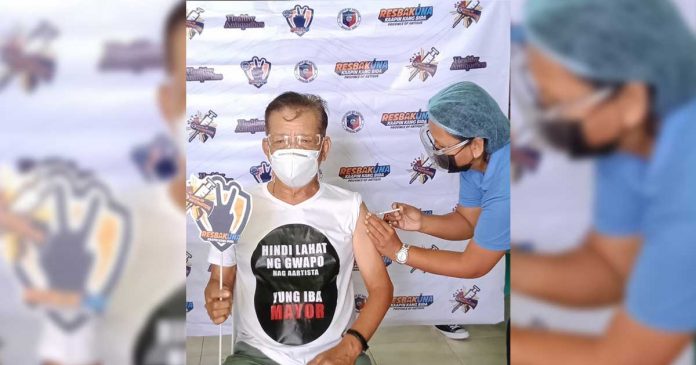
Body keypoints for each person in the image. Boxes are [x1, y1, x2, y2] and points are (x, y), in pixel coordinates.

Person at [511, 0, 696, 364]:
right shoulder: (630, 140)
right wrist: (500, 265)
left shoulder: (687, 187)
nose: (544, 115)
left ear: (631, 100)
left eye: (557, 101)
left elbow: (626, 359)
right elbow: (611, 269)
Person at [203, 92, 393, 365]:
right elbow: (219, 282)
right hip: (258, 355)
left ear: (324, 148)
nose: (292, 150)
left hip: (335, 351)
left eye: (304, 141)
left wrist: (350, 349)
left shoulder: (349, 206)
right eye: (280, 141)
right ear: (267, 148)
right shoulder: (235, 208)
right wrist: (215, 295)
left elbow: (380, 287)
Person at [364, 81, 510, 340]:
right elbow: (468, 222)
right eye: (433, 142)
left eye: (442, 147)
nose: (435, 152)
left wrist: (398, 252)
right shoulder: (478, 163)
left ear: (476, 145)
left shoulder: (509, 179)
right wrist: (421, 222)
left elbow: (472, 265)